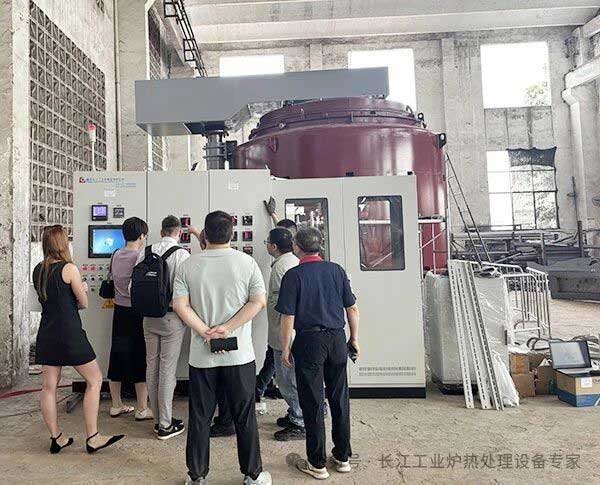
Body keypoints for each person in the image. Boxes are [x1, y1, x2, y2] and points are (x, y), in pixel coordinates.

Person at [173, 210, 272, 485]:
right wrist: (227, 328)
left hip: (202, 357)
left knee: (200, 417)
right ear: (231, 233)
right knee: (244, 416)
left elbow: (180, 305)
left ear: (204, 234)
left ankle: (197, 476)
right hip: (240, 356)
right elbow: (258, 301)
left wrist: (205, 330)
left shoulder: (188, 265)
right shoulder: (246, 263)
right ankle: (252, 475)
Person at [276, 227, 360, 480]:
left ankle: (317, 463)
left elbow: (288, 317)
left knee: (312, 402)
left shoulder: (293, 275)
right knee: (339, 399)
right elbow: (352, 308)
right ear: (320, 245)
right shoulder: (336, 270)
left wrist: (285, 348)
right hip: (337, 339)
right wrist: (354, 339)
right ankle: (343, 457)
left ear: (297, 247)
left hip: (309, 341)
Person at [33, 225, 124, 454]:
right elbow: (83, 303)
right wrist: (81, 288)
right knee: (95, 380)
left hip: (47, 333)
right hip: (70, 333)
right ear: (63, 244)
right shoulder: (69, 268)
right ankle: (93, 437)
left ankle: (56, 437)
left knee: (48, 387)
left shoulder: (38, 270)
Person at [136, 216, 203, 440]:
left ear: (161, 231)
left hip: (148, 317)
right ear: (179, 233)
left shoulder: (145, 252)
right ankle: (165, 425)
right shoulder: (182, 255)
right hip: (172, 318)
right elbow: (189, 290)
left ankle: (158, 420)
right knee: (167, 370)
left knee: (151, 366)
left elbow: (132, 285)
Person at [107, 217, 152, 421]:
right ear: (142, 236)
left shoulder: (115, 254)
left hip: (119, 312)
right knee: (139, 357)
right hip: (137, 312)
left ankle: (116, 405)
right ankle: (142, 408)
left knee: (116, 355)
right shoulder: (140, 257)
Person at [264, 228, 304, 441]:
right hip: (286, 332)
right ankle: (295, 413)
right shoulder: (290, 262)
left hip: (285, 334)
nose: (266, 245)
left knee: (288, 380)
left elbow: (288, 307)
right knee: (288, 378)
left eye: (267, 242)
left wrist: (286, 339)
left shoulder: (282, 267)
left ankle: (300, 421)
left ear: (274, 246)